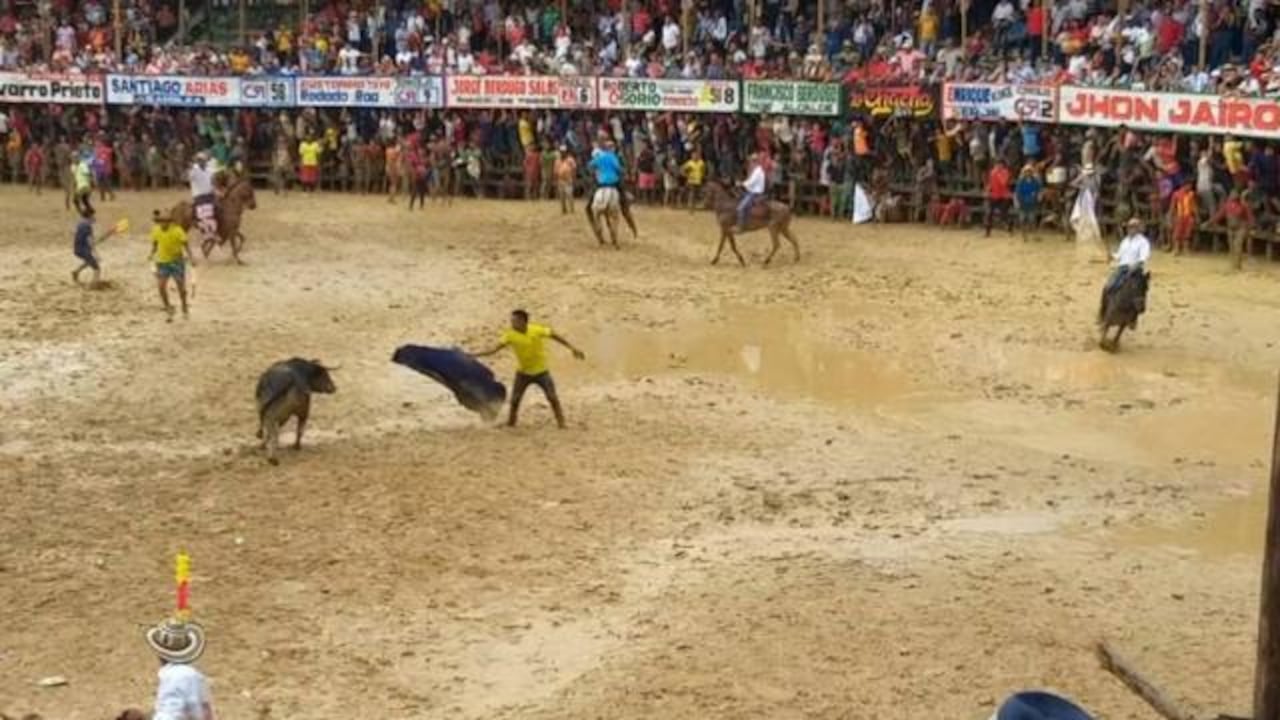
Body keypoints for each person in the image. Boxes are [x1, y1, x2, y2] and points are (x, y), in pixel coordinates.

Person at [472, 309, 585, 429]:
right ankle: (511, 422)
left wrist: (572, 348)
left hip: (541, 371)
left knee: (552, 397)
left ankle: (561, 423)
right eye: (512, 321)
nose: (512, 323)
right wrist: (475, 355)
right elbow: (493, 349)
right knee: (515, 400)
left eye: (514, 321)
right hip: (523, 373)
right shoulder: (510, 335)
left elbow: (554, 335)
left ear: (522, 321)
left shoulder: (536, 330)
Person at [145, 618, 215, 720]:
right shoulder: (196, 675)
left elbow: (169, 713)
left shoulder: (171, 676)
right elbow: (206, 710)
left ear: (160, 655)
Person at [148, 210, 196, 321]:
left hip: (176, 262)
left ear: (170, 222)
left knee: (181, 288)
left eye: (165, 221)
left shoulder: (177, 231)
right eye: (161, 221)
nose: (163, 223)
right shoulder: (155, 230)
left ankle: (184, 306)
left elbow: (186, 245)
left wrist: (191, 257)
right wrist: (151, 254)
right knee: (161, 287)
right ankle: (168, 308)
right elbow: (155, 244)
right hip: (162, 262)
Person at [1100, 218, 1151, 322]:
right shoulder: (1125, 241)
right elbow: (1119, 255)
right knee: (1107, 287)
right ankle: (1104, 311)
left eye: (1133, 227)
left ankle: (1133, 318)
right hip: (1122, 269)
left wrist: (1136, 265)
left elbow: (1143, 258)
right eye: (1129, 227)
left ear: (1138, 229)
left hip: (1135, 270)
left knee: (1138, 293)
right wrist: (1112, 256)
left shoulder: (1143, 242)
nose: (1130, 229)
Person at [1205, 188, 1256, 271]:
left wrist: (1252, 227)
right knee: (1231, 247)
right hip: (1230, 228)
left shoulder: (1243, 205)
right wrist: (1208, 223)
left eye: (1235, 194)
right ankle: (1233, 264)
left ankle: (1237, 266)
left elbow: (1250, 217)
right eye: (1232, 194)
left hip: (1241, 228)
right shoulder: (1227, 205)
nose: (1233, 195)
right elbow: (1219, 215)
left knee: (1238, 246)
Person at [71, 207, 117, 286]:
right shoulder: (87, 226)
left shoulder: (81, 224)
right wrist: (96, 254)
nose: (94, 217)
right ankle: (92, 286)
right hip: (83, 250)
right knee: (97, 269)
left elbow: (90, 241)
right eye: (93, 216)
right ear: (89, 215)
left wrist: (109, 233)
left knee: (91, 260)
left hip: (77, 249)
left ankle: (76, 272)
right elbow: (92, 242)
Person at [186, 153, 218, 247]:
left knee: (220, 209)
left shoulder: (211, 170)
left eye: (203, 160)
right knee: (205, 214)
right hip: (199, 196)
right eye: (199, 160)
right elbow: (190, 177)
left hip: (210, 194)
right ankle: (207, 233)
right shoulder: (194, 170)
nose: (201, 162)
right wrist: (190, 169)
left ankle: (215, 231)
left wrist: (217, 191)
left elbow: (214, 181)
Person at [985, 158, 1014, 237]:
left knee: (1003, 214)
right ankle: (987, 232)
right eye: (997, 164)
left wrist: (998, 174)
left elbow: (1003, 183)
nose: (998, 165)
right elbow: (990, 182)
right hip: (994, 195)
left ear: (1003, 165)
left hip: (1004, 196)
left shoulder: (1006, 172)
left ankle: (1010, 228)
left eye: (1000, 164)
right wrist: (987, 190)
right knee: (989, 213)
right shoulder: (992, 172)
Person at [1168, 178, 1198, 255]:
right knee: (1177, 233)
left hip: (1188, 216)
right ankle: (1176, 249)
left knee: (1187, 233)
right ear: (1185, 185)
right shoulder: (1176, 194)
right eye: (1189, 185)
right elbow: (1172, 206)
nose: (1190, 187)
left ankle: (1185, 249)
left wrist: (1196, 216)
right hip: (1179, 216)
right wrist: (1170, 216)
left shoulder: (1191, 194)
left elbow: (1194, 206)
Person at [737, 153, 766, 231]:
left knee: (740, 208)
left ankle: (741, 226)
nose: (750, 164)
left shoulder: (757, 172)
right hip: (752, 191)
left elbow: (751, 182)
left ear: (754, 162)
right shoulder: (757, 170)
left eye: (751, 162)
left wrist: (740, 184)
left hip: (754, 193)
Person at [1014, 164, 1042, 240]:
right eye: (1026, 171)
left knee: (1032, 219)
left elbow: (1039, 190)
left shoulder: (1035, 181)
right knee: (1022, 220)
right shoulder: (1021, 181)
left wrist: (1038, 196)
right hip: (1023, 202)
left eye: (1029, 171)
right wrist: (1017, 201)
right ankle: (1024, 235)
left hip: (1032, 202)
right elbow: (1017, 192)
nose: (1028, 173)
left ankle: (1035, 235)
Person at [554, 145, 577, 215]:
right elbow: (555, 171)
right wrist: (555, 180)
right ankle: (564, 209)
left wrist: (574, 178)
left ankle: (572, 209)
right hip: (560, 179)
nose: (562, 153)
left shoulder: (570, 159)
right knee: (562, 196)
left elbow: (574, 169)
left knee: (569, 194)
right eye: (561, 152)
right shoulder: (557, 160)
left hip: (568, 179)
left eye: (564, 152)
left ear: (566, 152)